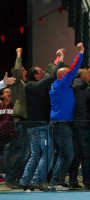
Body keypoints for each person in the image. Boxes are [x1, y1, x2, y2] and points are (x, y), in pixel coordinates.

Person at [19, 48, 65, 190]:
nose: (43, 72)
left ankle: (24, 181)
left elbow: (49, 76)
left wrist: (57, 60)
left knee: (35, 155)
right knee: (47, 152)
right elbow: (50, 77)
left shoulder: (34, 86)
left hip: (36, 126)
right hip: (39, 127)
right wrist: (61, 58)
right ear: (35, 76)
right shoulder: (32, 86)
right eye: (40, 72)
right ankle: (36, 180)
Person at [49, 43, 84, 189]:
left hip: (59, 124)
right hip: (61, 124)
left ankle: (57, 181)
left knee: (63, 154)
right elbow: (75, 68)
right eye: (68, 73)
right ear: (62, 76)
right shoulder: (62, 84)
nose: (72, 75)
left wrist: (60, 57)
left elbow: (59, 70)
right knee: (68, 154)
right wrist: (80, 53)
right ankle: (56, 181)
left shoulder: (57, 84)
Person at [69, 68, 90, 190]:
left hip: (74, 125)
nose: (89, 76)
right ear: (83, 76)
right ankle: (87, 182)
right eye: (88, 74)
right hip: (87, 126)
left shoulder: (71, 89)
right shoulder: (88, 89)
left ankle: (73, 180)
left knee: (76, 155)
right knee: (88, 155)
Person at [4, 48, 29, 188]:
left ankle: (14, 177)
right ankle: (11, 177)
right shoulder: (16, 82)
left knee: (25, 151)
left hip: (24, 121)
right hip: (21, 121)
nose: (25, 72)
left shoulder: (23, 84)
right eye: (24, 71)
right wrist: (19, 54)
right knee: (24, 152)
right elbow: (18, 71)